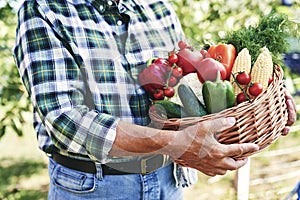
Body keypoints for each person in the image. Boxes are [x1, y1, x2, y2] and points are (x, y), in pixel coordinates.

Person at [13, 0, 297, 199]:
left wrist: (263, 93)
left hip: (167, 181)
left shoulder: (156, 5)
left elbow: (192, 78)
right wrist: (175, 144)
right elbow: (65, 118)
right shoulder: (44, 9)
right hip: (97, 187)